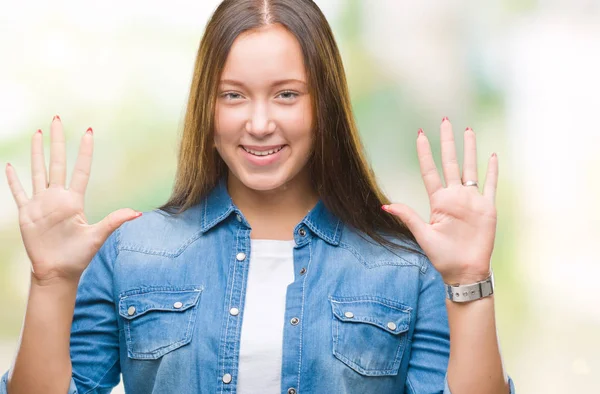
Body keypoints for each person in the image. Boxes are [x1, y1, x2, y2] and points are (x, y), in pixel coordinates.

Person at [2, 0, 515, 393]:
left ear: (325, 106)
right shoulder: (132, 252)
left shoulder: (404, 265)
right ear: (208, 107)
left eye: (287, 94)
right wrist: (51, 282)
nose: (261, 123)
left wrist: (470, 282)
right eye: (234, 95)